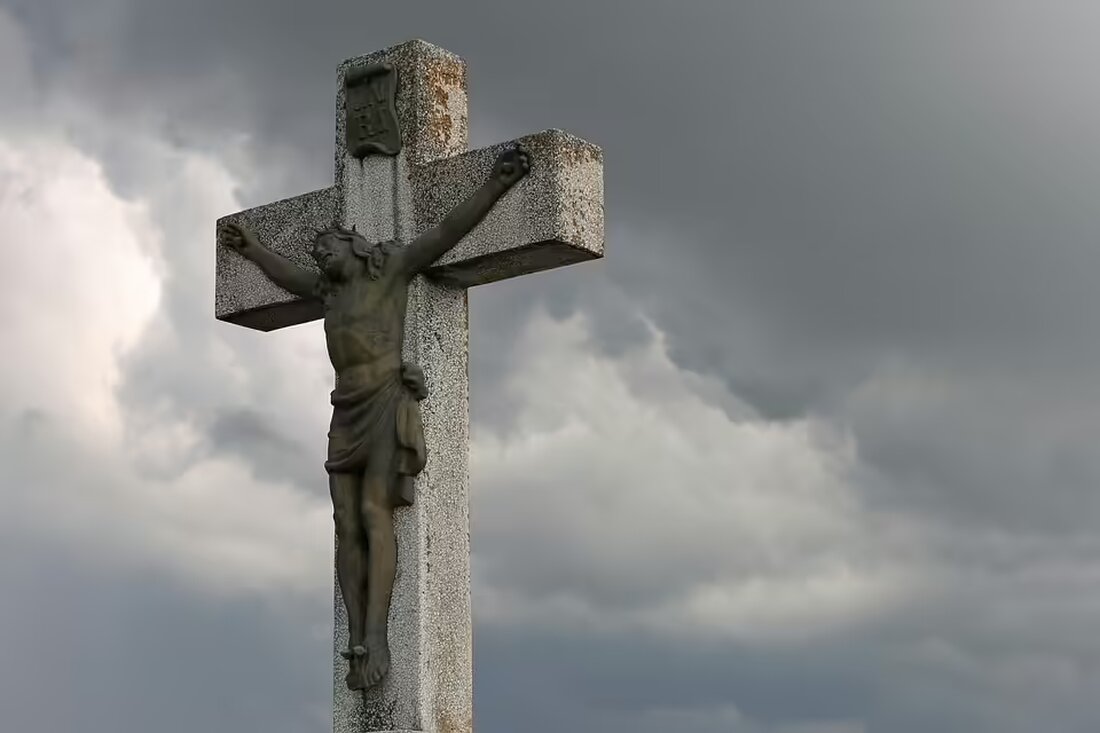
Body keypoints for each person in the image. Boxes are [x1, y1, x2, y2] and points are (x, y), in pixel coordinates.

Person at [218, 145, 530, 689]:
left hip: (386, 397)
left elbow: (447, 232)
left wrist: (496, 184)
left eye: (326, 247)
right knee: (344, 523)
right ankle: (356, 630)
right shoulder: (326, 290)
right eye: (316, 252)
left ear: (355, 247)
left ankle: (379, 633)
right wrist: (251, 247)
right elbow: (285, 275)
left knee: (372, 511)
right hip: (345, 409)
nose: (319, 256)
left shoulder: (391, 272)